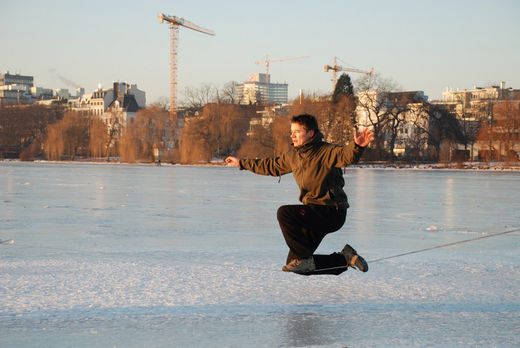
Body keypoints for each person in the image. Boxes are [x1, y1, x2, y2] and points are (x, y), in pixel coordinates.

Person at [225, 114, 374, 275]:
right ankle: (345, 259)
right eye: (291, 132)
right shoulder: (294, 156)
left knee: (285, 213)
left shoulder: (326, 151)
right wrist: (242, 163)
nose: (292, 135)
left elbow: (345, 155)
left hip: (331, 211)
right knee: (295, 264)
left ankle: (305, 259)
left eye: (297, 131)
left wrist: (357, 147)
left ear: (310, 133)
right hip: (313, 212)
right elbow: (271, 166)